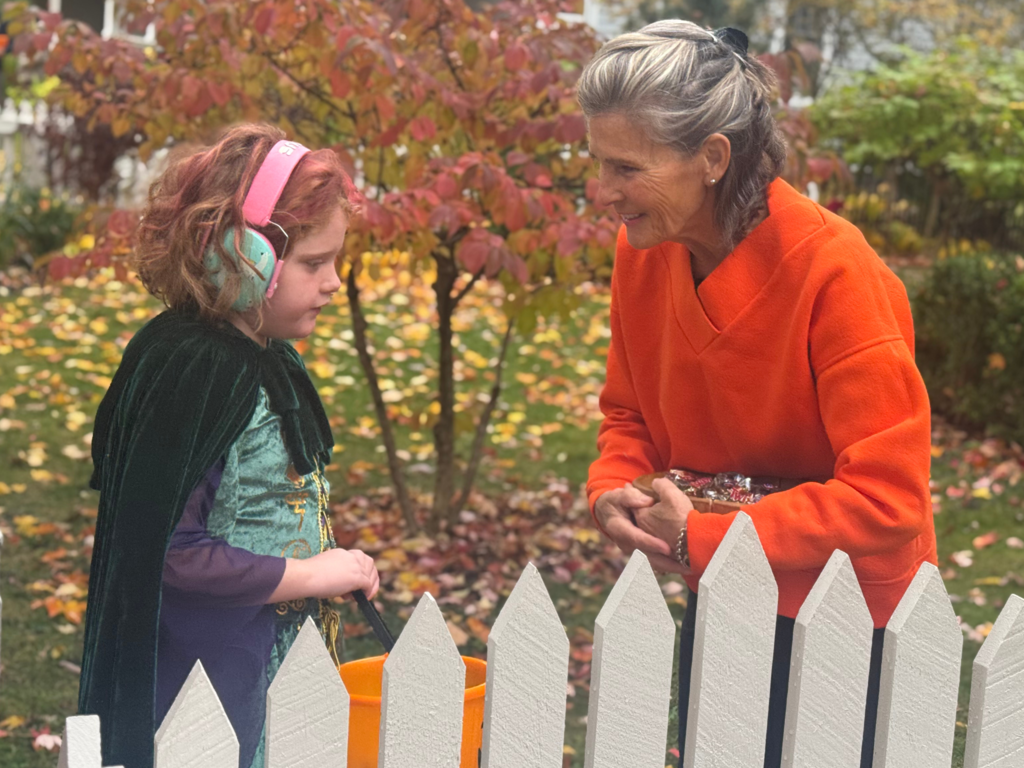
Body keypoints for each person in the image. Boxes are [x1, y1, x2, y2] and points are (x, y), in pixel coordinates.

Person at [577, 21, 937, 768]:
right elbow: (629, 412)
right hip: (729, 594)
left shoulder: (838, 273)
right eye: (594, 163)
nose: (599, 191)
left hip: (847, 621)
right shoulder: (643, 251)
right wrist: (614, 484)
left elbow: (888, 499)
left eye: (624, 168)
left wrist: (700, 533)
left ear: (712, 158)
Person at [79, 124, 380, 768]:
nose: (332, 283)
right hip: (210, 668)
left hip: (266, 652)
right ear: (242, 256)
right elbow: (169, 551)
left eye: (335, 261)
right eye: (312, 263)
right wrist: (309, 574)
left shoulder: (258, 356)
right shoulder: (199, 371)